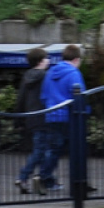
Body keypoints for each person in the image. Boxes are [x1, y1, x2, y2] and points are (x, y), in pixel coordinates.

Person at [36, 43, 90, 195]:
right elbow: (80, 96)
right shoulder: (74, 73)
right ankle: (79, 182)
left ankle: (44, 177)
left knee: (53, 150)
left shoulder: (50, 73)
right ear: (77, 59)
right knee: (78, 150)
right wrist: (86, 111)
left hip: (52, 116)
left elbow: (44, 96)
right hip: (70, 118)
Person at [14, 47, 51, 194]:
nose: (48, 60)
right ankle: (23, 177)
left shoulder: (26, 77)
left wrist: (18, 120)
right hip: (43, 116)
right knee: (41, 150)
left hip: (31, 117)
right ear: (41, 61)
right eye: (46, 58)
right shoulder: (45, 76)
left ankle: (44, 180)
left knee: (41, 149)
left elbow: (20, 99)